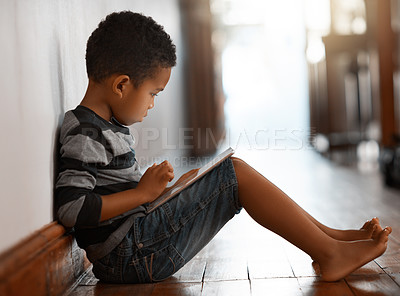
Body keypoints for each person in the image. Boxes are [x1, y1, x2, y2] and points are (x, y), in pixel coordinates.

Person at [55, 11, 391, 284]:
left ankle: (329, 240)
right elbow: (72, 209)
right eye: (153, 93)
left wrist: (163, 193)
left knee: (228, 171)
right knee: (235, 175)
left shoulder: (105, 127)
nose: (152, 105)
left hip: (135, 247)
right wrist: (142, 195)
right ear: (121, 85)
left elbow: (114, 201)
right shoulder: (86, 132)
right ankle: (329, 251)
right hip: (131, 256)